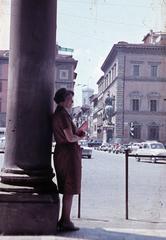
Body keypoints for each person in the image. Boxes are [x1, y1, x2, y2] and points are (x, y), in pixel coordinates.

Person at [52, 88, 85, 232]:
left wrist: (76, 133)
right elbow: (70, 138)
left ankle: (64, 219)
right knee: (69, 187)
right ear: (64, 100)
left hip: (62, 152)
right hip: (68, 153)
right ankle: (65, 220)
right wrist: (81, 136)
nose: (72, 102)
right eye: (70, 99)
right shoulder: (63, 115)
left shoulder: (58, 114)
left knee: (67, 186)